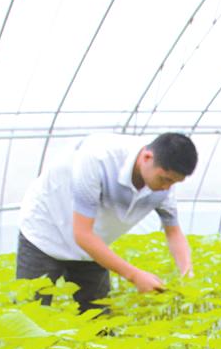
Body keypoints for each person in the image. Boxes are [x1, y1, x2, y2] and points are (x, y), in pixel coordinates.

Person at [16, 132, 197, 312]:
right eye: (165, 179)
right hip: (45, 233)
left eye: (174, 182)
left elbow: (173, 233)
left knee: (100, 320)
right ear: (147, 157)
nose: (167, 187)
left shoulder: (163, 185)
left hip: (93, 245)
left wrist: (187, 274)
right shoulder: (97, 159)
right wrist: (135, 276)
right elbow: (82, 234)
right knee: (30, 315)